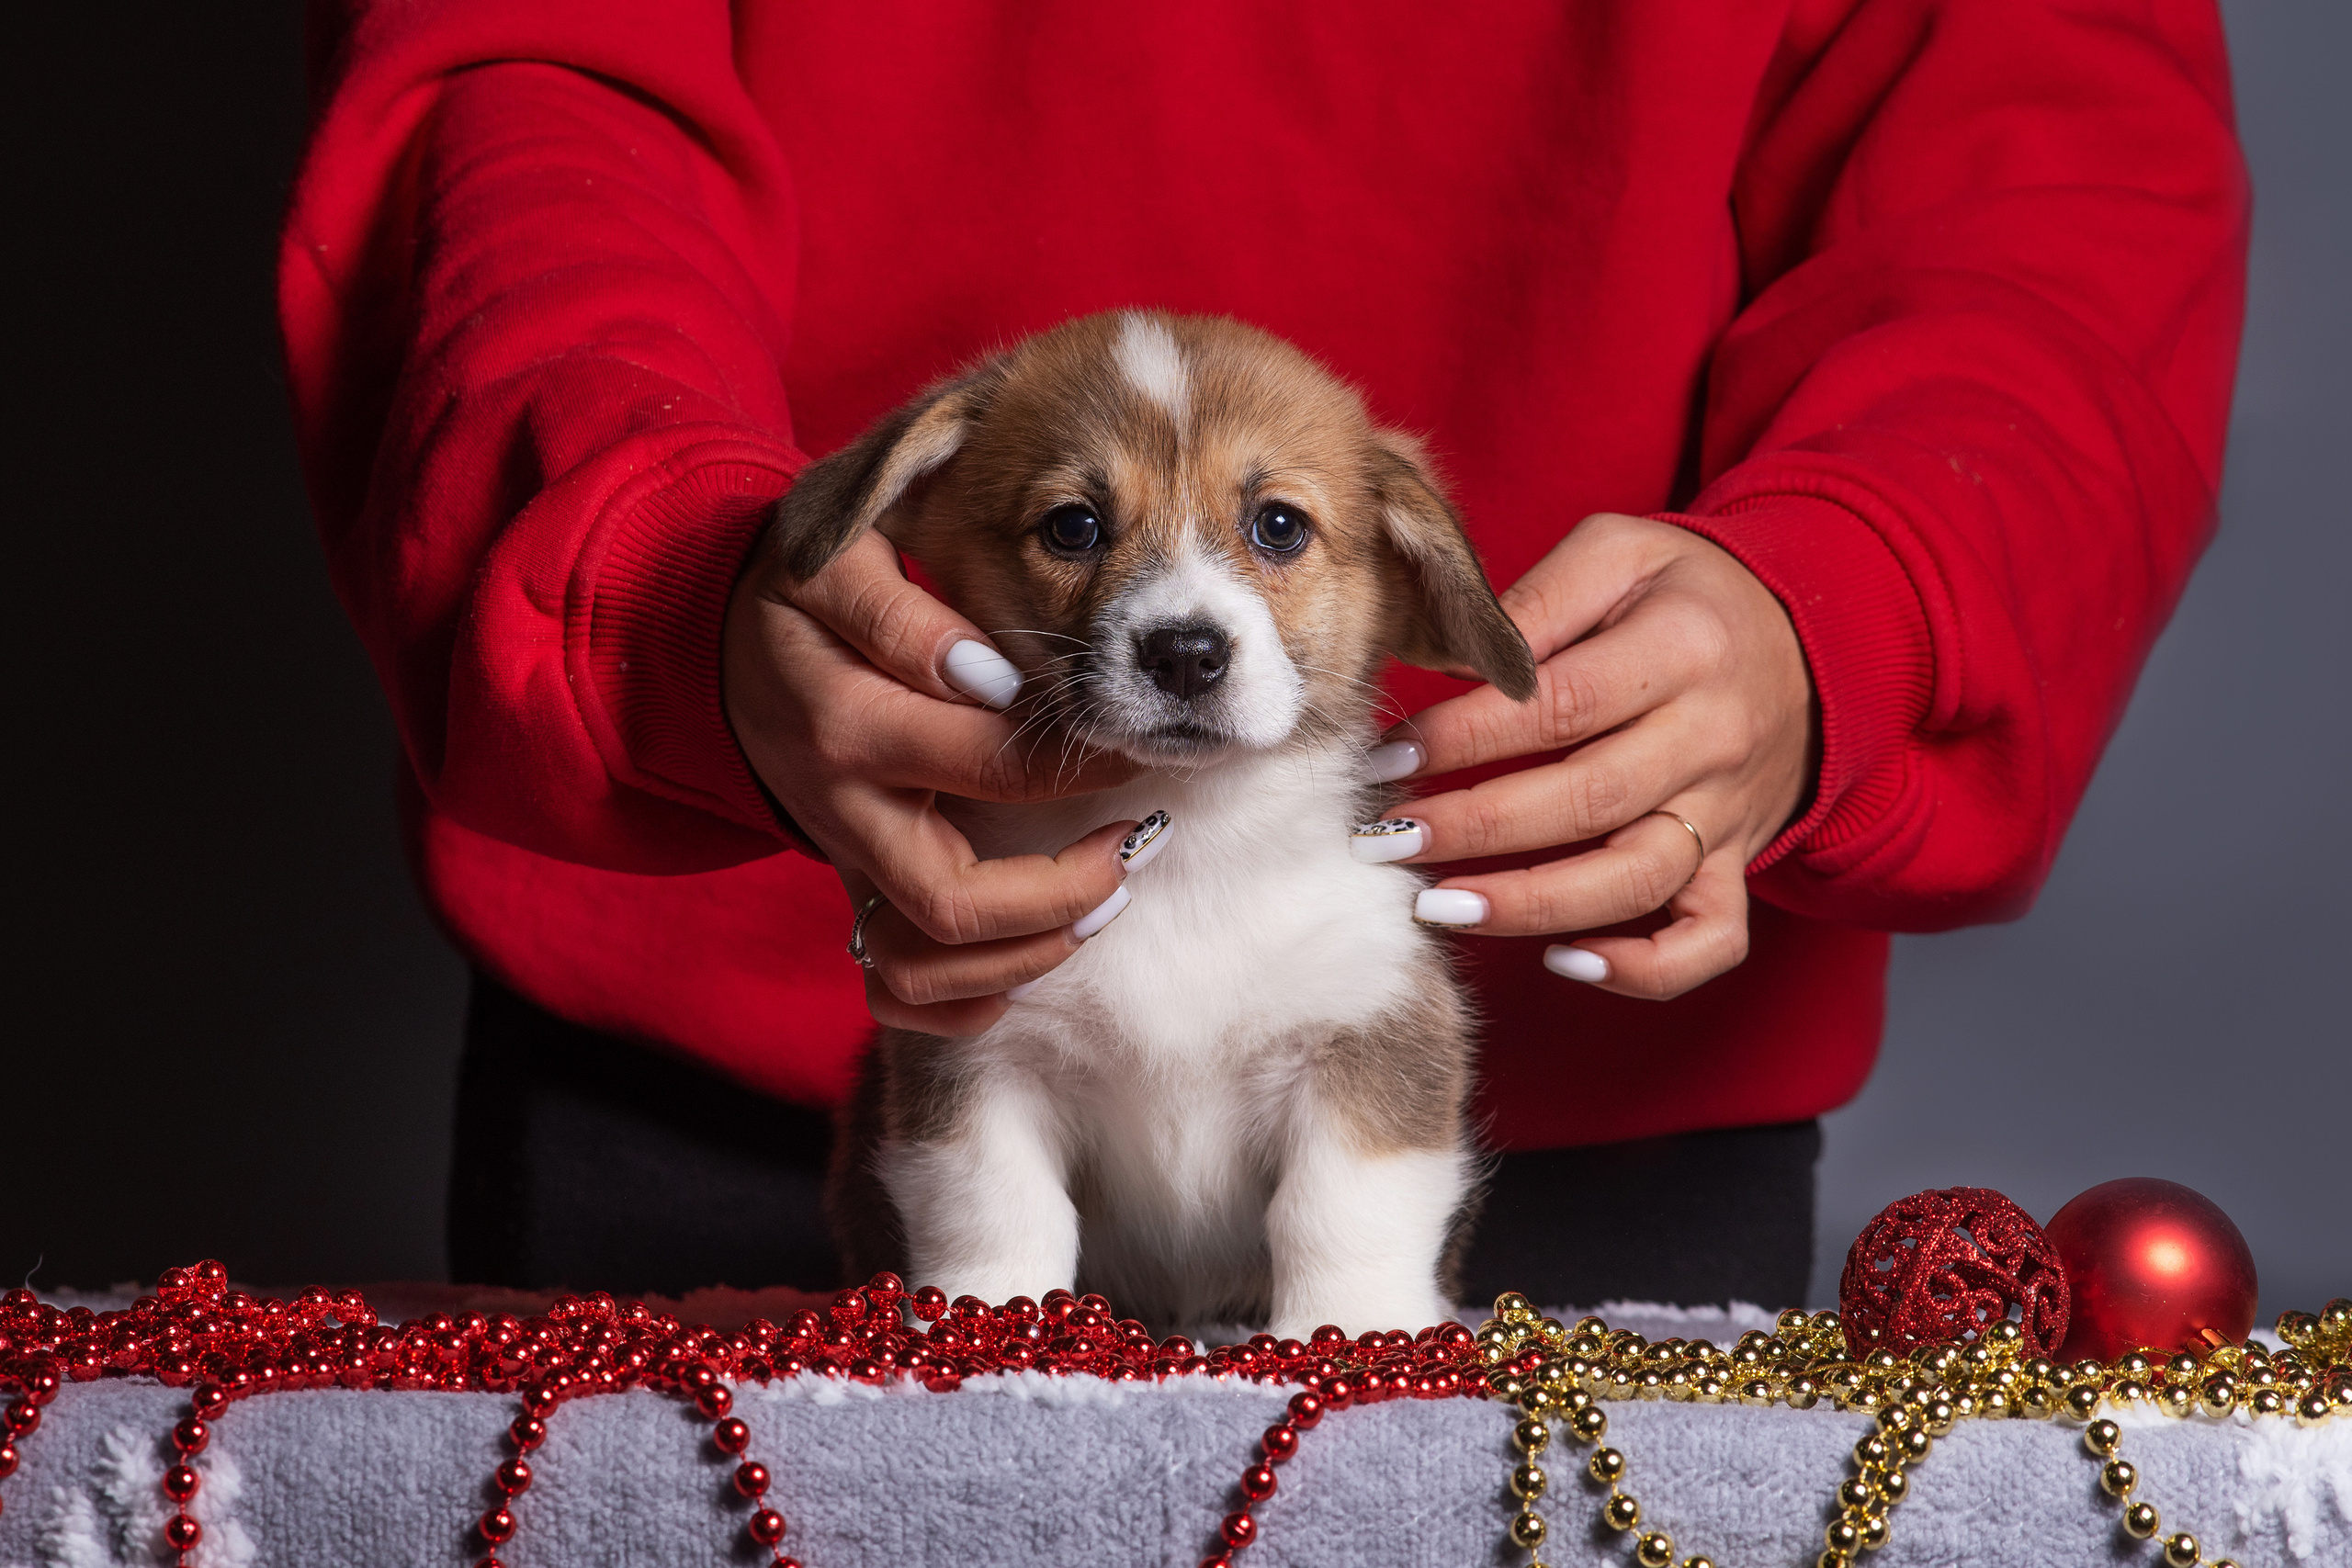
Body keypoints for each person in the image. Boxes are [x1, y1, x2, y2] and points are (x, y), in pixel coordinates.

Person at [281, 0, 2246, 1308]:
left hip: (1599, 1084)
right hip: (739, 1009)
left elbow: (2045, 148)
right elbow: (517, 62)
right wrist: (644, 559)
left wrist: (1870, 595)